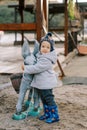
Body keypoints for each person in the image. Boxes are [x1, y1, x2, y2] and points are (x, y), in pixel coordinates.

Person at [24, 32, 60, 123]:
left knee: (48, 98)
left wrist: (26, 68)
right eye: (43, 46)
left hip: (46, 83)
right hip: (43, 83)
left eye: (48, 47)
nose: (45, 49)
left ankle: (54, 115)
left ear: (51, 50)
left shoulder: (46, 60)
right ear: (40, 47)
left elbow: (37, 68)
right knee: (44, 99)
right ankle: (48, 113)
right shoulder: (41, 56)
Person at [12, 39, 41, 120]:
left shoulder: (26, 57)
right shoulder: (35, 58)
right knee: (35, 92)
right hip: (33, 78)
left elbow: (25, 66)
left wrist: (25, 67)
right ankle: (35, 106)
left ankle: (19, 109)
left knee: (22, 93)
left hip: (26, 79)